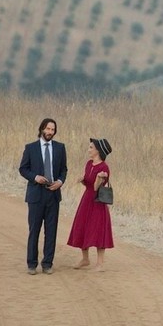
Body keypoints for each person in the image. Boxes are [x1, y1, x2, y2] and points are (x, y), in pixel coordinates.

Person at [19, 117, 67, 274]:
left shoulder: (60, 148)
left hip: (53, 195)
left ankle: (47, 263)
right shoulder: (30, 148)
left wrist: (60, 181)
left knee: (51, 230)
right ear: (41, 129)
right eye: (47, 129)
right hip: (36, 195)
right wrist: (35, 177)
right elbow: (23, 168)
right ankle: (31, 264)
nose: (50, 132)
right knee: (34, 229)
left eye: (52, 130)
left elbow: (64, 170)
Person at [68, 137, 114, 270]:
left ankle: (100, 263)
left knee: (98, 230)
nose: (89, 150)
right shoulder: (89, 164)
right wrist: (82, 180)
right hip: (86, 199)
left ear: (98, 151)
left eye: (91, 147)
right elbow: (88, 183)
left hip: (97, 202)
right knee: (82, 226)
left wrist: (100, 178)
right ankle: (85, 258)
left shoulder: (104, 167)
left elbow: (96, 188)